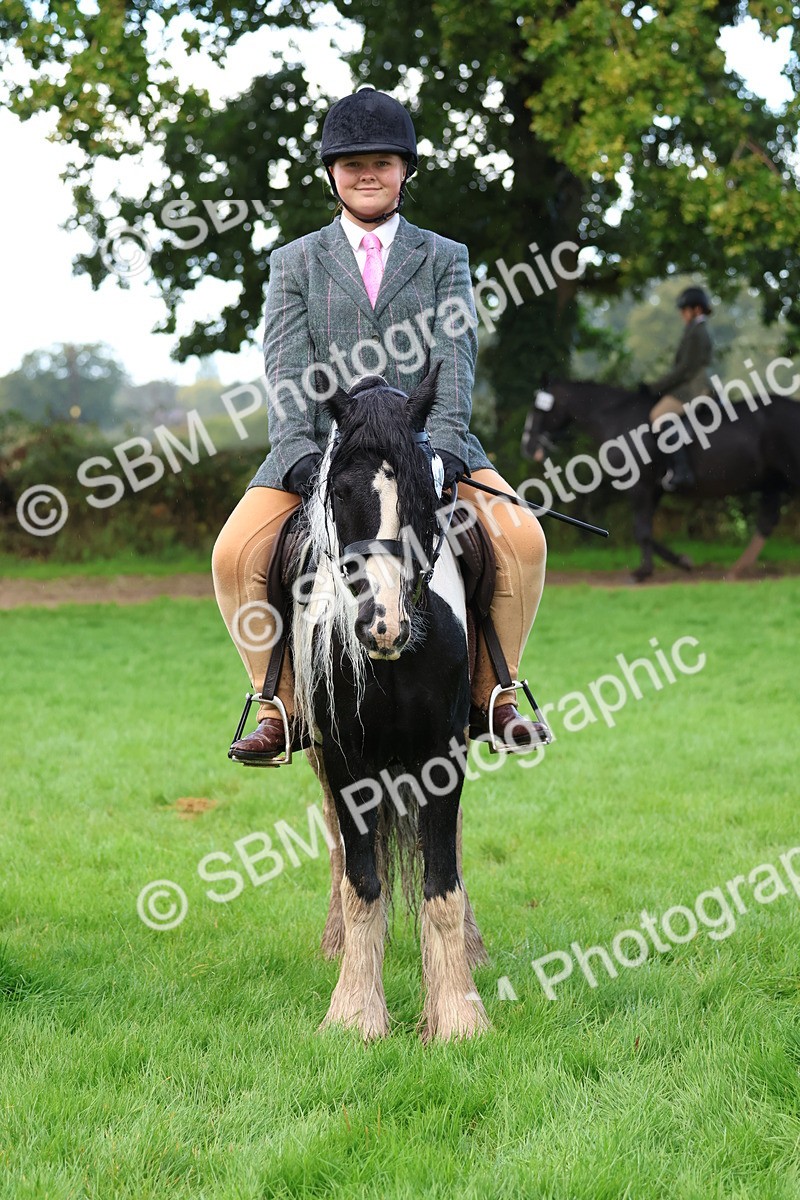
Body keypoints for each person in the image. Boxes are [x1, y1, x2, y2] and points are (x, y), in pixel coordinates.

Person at [212, 87, 549, 763]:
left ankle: (496, 694)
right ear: (332, 172)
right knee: (234, 556)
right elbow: (284, 368)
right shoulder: (294, 263)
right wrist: (301, 452)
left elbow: (454, 357)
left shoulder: (443, 256)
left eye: (384, 161)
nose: (368, 172)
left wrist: (446, 447)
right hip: (319, 451)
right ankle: (280, 701)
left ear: (405, 170)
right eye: (353, 161)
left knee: (524, 539)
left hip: (428, 447)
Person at [642, 285, 714, 491]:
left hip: (693, 388)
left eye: (685, 310)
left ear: (697, 310)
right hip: (688, 384)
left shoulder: (698, 332)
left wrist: (656, 387)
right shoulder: (694, 330)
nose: (683, 314)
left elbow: (685, 369)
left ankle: (682, 471)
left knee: (658, 415)